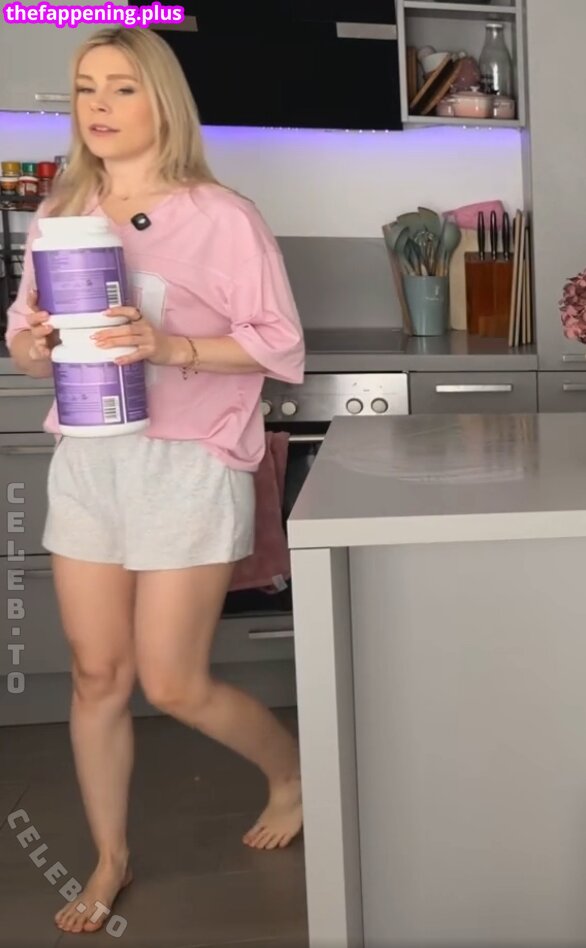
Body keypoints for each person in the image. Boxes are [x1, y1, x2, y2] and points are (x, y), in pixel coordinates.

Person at [5, 25, 305, 936]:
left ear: (162, 102)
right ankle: (111, 858)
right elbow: (25, 340)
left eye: (122, 87)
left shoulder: (221, 215)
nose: (99, 105)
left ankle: (292, 774)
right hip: (91, 461)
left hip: (188, 461)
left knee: (172, 682)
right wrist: (33, 344)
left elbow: (279, 344)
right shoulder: (64, 211)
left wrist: (169, 345)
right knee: (97, 674)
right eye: (87, 87)